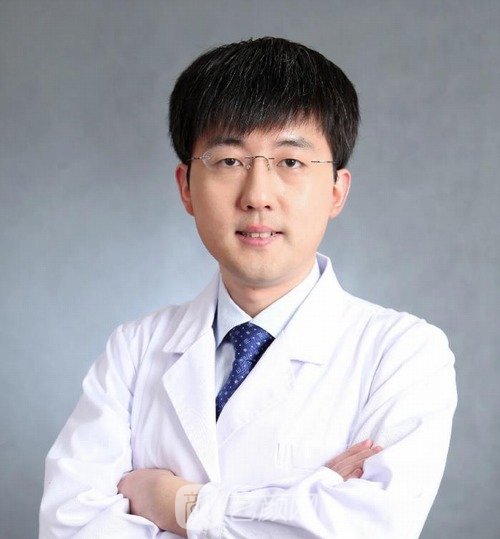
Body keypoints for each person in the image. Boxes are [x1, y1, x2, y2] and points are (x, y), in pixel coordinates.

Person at [39, 37, 457, 538]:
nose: (258, 196)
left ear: (336, 190)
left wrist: (176, 504)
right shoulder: (135, 349)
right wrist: (300, 507)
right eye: (229, 161)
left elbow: (369, 529)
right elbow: (68, 525)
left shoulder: (403, 353)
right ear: (186, 187)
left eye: (291, 162)